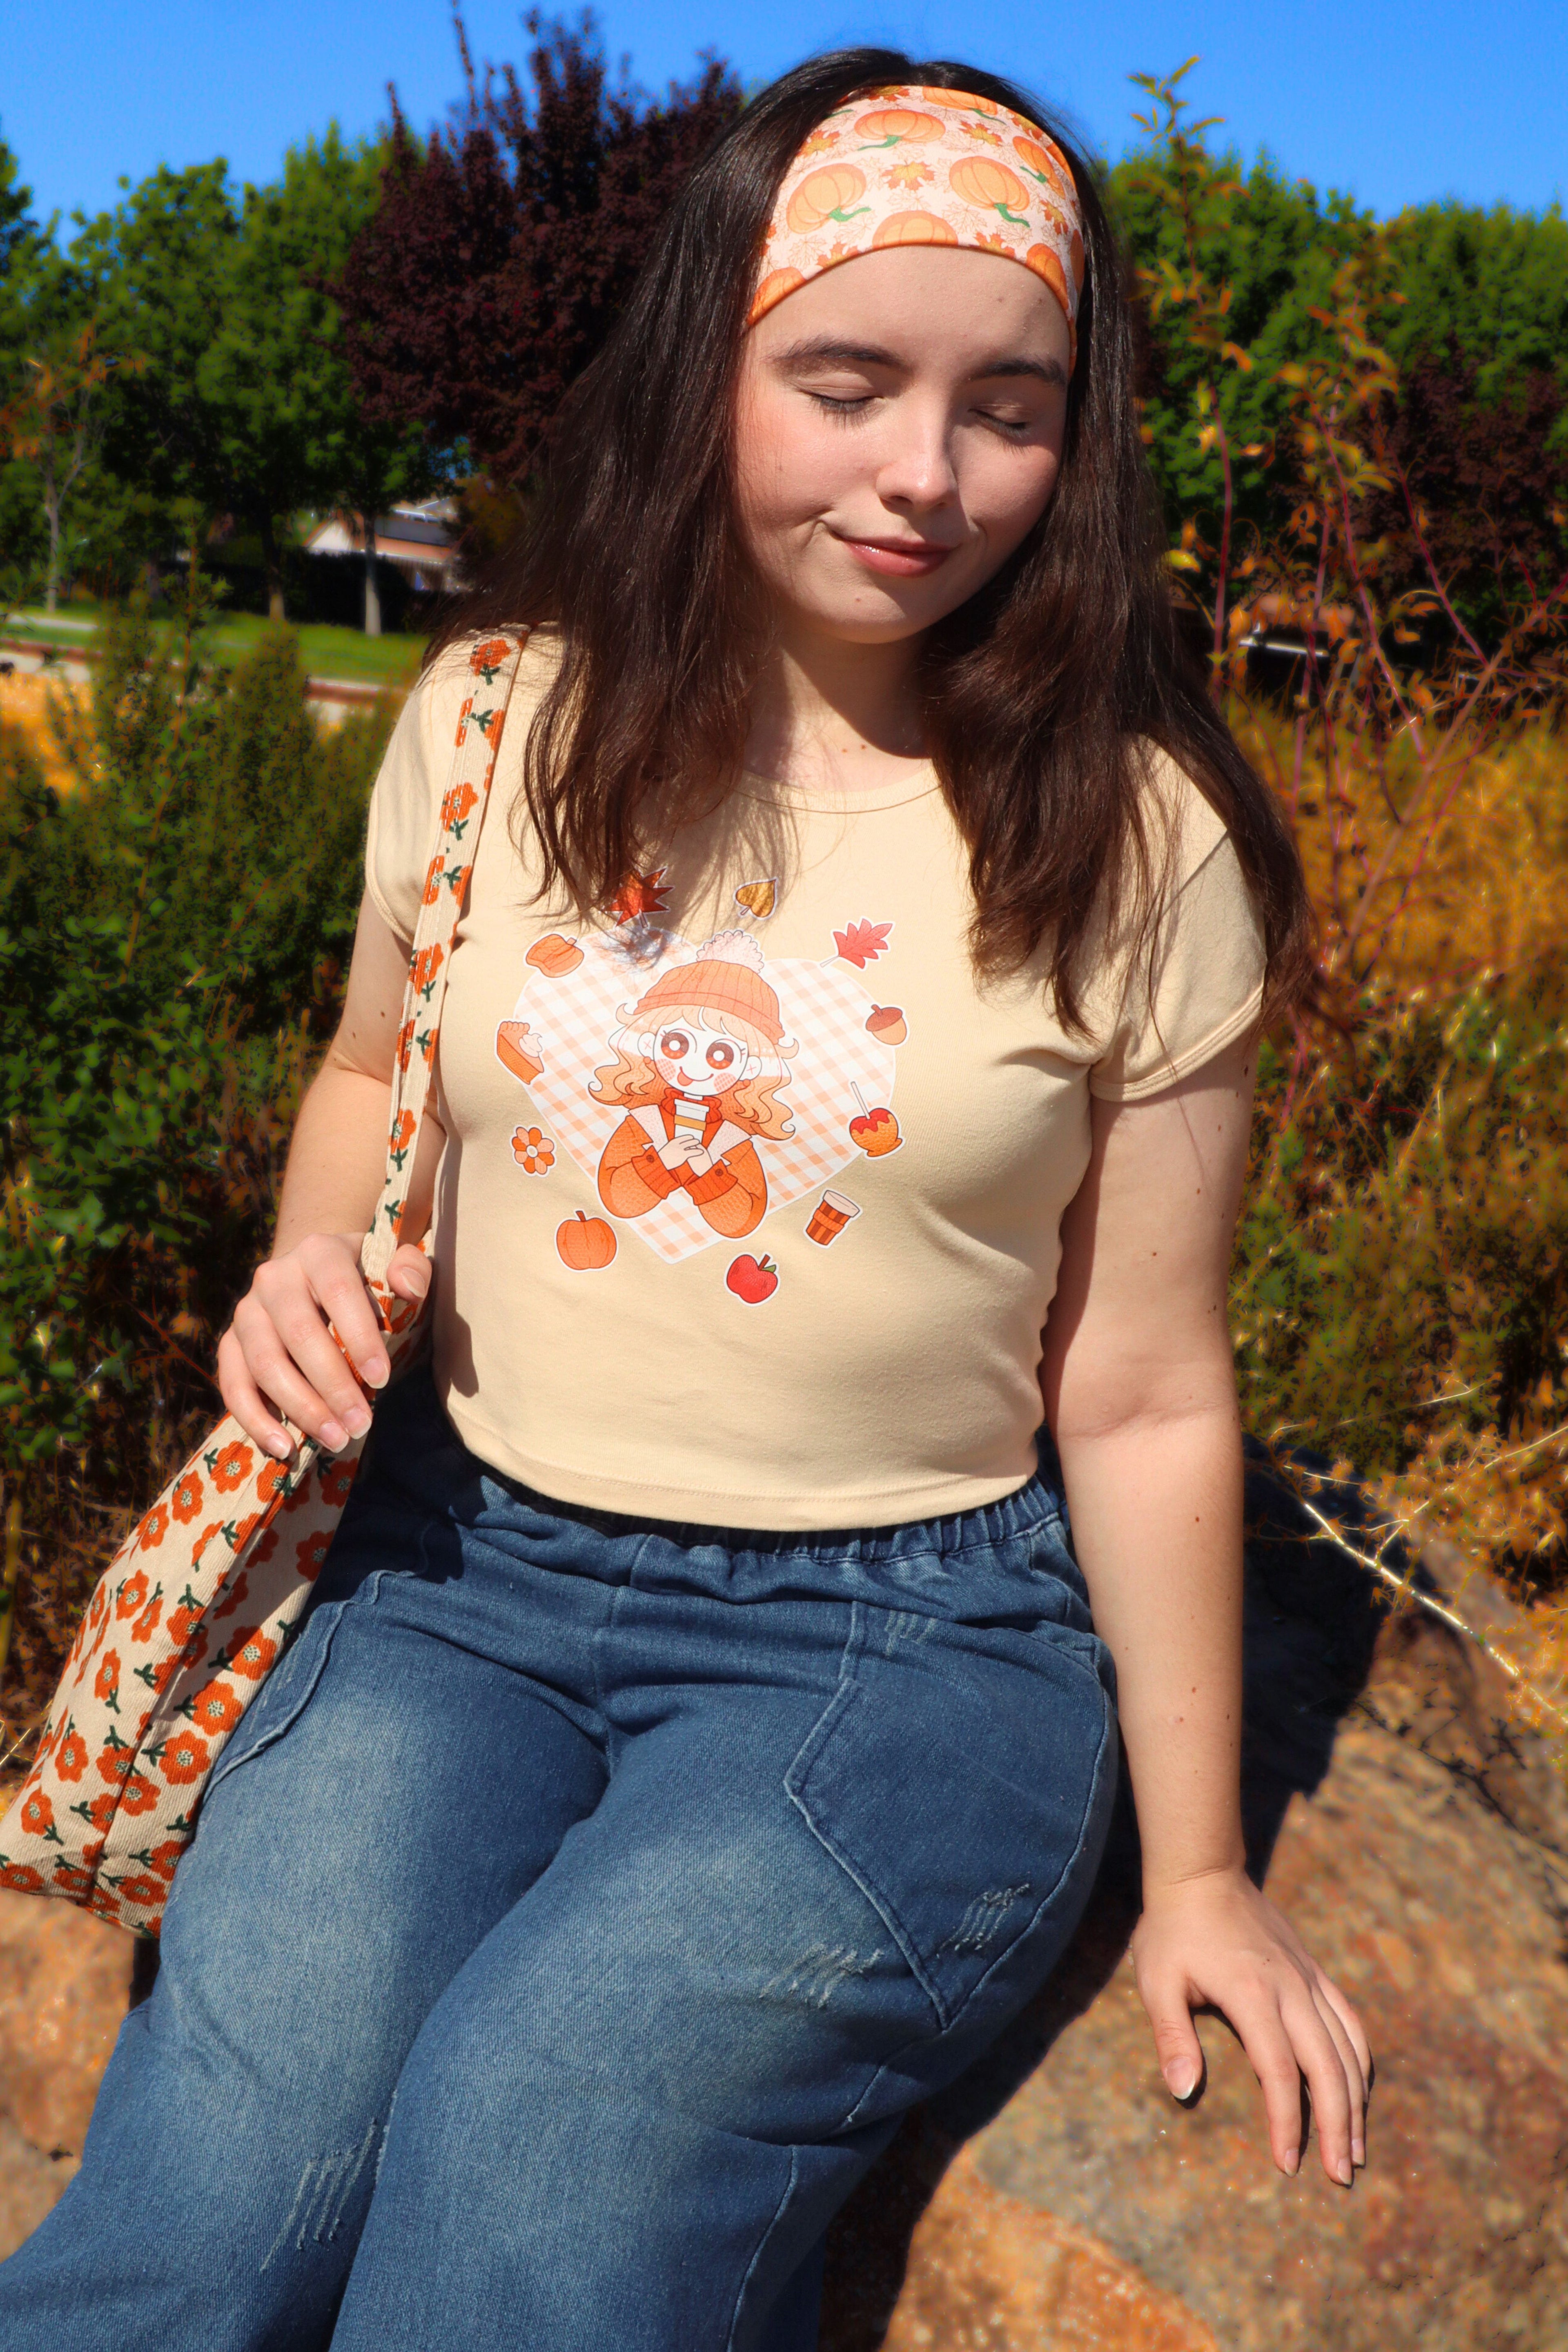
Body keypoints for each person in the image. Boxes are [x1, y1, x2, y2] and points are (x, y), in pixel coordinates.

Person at [0, 49, 1370, 2352]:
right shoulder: (490, 729)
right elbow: (367, 1068)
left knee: (526, 2187)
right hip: (454, 1580)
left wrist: (1207, 1873)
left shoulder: (1142, 841)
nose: (926, 474)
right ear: (701, 366)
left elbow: (1136, 1388)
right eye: (844, 380)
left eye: (1009, 405)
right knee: (203, 2231)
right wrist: (304, 1259)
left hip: (902, 1652)